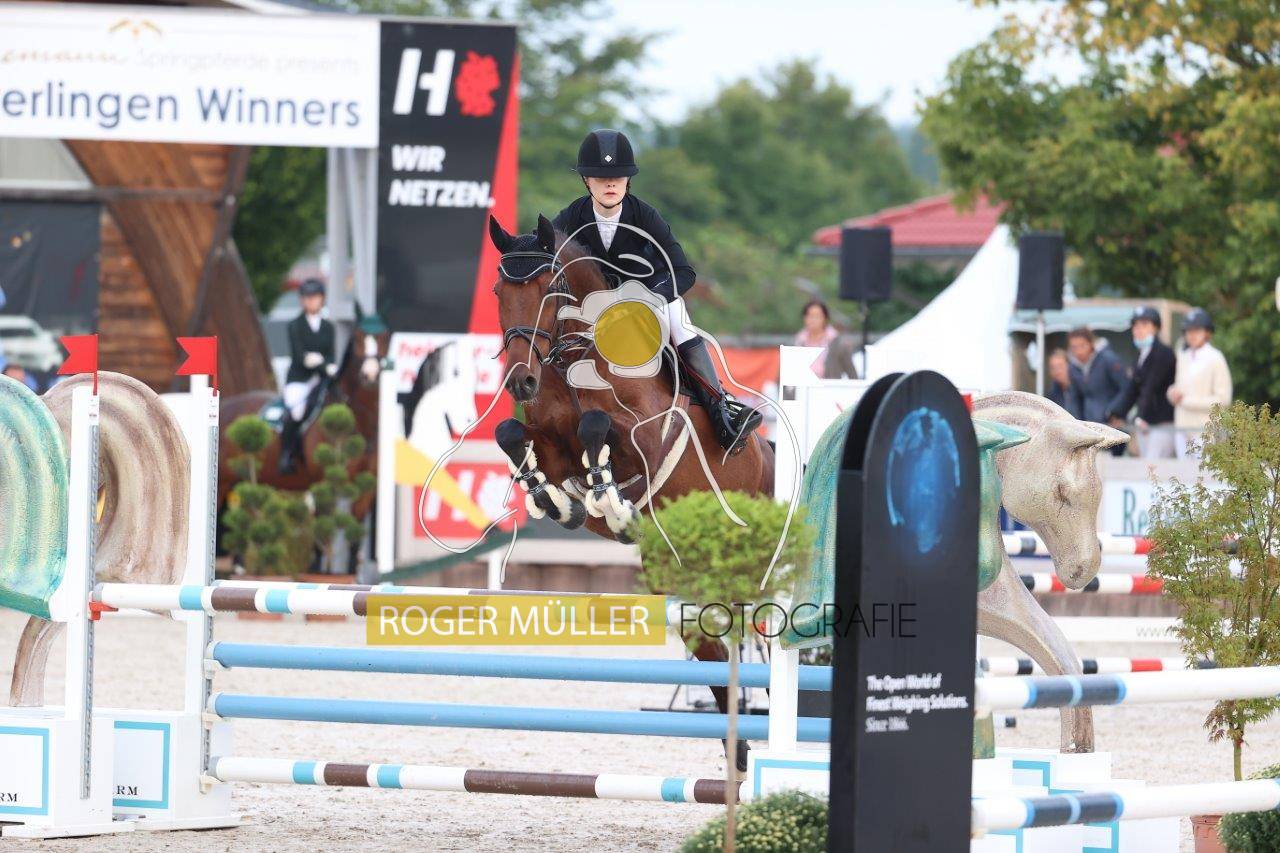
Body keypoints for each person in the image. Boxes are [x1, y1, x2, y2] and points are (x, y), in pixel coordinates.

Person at [552, 129, 761, 452]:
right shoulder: (571, 217)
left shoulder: (645, 215)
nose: (610, 184)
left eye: (618, 177)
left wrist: (649, 299)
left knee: (680, 325)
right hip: (594, 307)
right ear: (586, 181)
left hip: (648, 298)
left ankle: (720, 412)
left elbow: (684, 271)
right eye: (601, 178)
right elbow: (543, 252)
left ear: (628, 181)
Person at [1103, 306, 1177, 459]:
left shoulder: (1163, 352)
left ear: (1155, 328)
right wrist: (1115, 412)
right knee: (1147, 467)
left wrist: (1140, 415)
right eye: (1135, 326)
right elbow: (1132, 390)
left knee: (1153, 467)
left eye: (1144, 325)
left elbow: (1151, 387)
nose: (1138, 330)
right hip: (1146, 423)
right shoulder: (1141, 355)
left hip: (1161, 422)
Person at [279, 278, 337, 474]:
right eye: (307, 297)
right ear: (302, 300)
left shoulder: (328, 327)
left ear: (322, 299)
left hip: (322, 379)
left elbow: (331, 355)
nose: (311, 301)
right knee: (296, 411)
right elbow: (300, 356)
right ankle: (286, 455)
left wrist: (327, 365)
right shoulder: (295, 325)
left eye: (315, 297)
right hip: (300, 379)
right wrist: (323, 364)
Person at [1167, 308, 1232, 459]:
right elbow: (1178, 386)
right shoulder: (1183, 356)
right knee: (1182, 473)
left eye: (1197, 330)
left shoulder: (1216, 358)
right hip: (1181, 428)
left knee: (1203, 472)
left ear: (1207, 333)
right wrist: (1172, 393)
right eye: (1188, 331)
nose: (1192, 335)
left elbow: (1223, 399)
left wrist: (1187, 401)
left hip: (1204, 431)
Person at [1046, 348, 1079, 417]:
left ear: (1069, 366)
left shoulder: (1080, 389)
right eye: (1053, 368)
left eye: (1060, 366)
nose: (1057, 371)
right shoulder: (1052, 395)